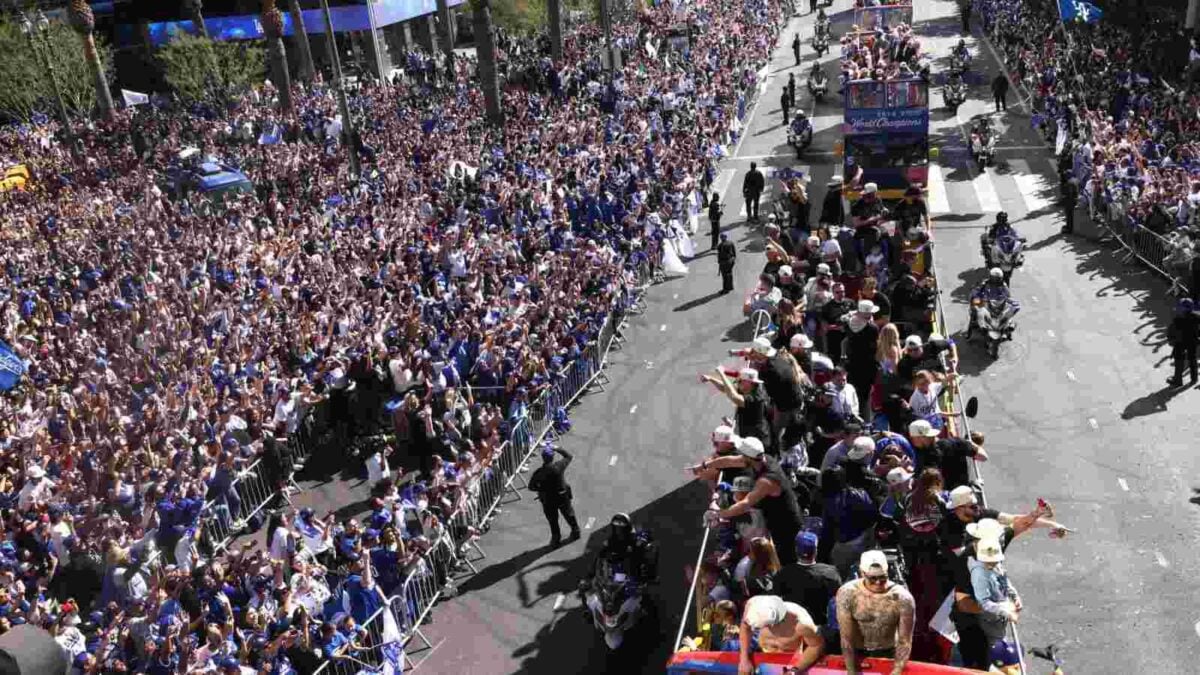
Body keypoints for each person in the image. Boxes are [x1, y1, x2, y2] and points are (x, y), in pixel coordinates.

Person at [700, 437, 806, 565]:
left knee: (788, 559)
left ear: (747, 457)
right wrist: (706, 465)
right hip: (775, 516)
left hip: (785, 525)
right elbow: (730, 461)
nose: (739, 456)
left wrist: (718, 514)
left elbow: (745, 504)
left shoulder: (766, 481)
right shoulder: (762, 459)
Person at [835, 550, 915, 675]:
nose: (878, 582)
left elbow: (905, 641)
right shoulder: (848, 593)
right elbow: (846, 638)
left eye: (882, 577)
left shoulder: (902, 598)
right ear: (862, 573)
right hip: (858, 652)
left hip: (888, 652)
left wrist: (897, 670)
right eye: (872, 578)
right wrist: (851, 671)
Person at [737, 595, 825, 675]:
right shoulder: (753, 605)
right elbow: (745, 627)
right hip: (763, 654)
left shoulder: (801, 622)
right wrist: (744, 659)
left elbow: (816, 646)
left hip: (791, 658)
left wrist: (794, 671)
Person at [772, 532, 843, 625]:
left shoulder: (783, 574)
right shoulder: (831, 573)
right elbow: (838, 600)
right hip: (821, 624)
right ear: (816, 551)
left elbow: (777, 600)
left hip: (794, 625)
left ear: (796, 550)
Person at [528, 442, 581, 547]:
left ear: (543, 458)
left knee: (553, 520)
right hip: (562, 496)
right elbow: (568, 456)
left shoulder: (539, 473)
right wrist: (556, 448)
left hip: (548, 500)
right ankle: (576, 531)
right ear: (552, 458)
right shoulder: (558, 467)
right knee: (569, 514)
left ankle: (556, 538)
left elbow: (531, 486)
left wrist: (541, 489)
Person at [969, 538, 1021, 645]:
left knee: (1000, 637)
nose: (995, 563)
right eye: (991, 561)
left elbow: (1004, 579)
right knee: (995, 646)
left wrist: (1015, 597)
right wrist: (1006, 611)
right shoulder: (979, 575)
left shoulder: (996, 564)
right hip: (990, 619)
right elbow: (984, 603)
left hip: (1000, 614)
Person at [588, 513, 657, 583]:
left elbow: (644, 539)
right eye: (616, 528)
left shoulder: (633, 539)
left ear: (626, 529)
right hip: (618, 568)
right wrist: (593, 572)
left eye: (621, 529)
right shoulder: (611, 541)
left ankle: (651, 577)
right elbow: (600, 554)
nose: (618, 531)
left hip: (633, 568)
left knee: (649, 553)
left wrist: (643, 542)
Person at [967, 268, 1020, 339]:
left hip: (999, 305)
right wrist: (976, 296)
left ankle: (1007, 329)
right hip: (987, 304)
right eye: (994, 278)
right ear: (990, 277)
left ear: (1000, 278)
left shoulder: (1004, 286)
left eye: (997, 278)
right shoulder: (985, 284)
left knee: (1010, 311)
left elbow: (1008, 296)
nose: (995, 280)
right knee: (976, 311)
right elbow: (976, 292)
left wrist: (1010, 301)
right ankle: (972, 331)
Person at [1167, 298, 1199, 387]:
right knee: (1192, 359)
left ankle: (1178, 380)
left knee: (1179, 361)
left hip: (1180, 343)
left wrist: (1171, 340)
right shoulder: (1196, 317)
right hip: (1193, 341)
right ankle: (1194, 378)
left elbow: (1172, 332)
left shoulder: (1178, 320)